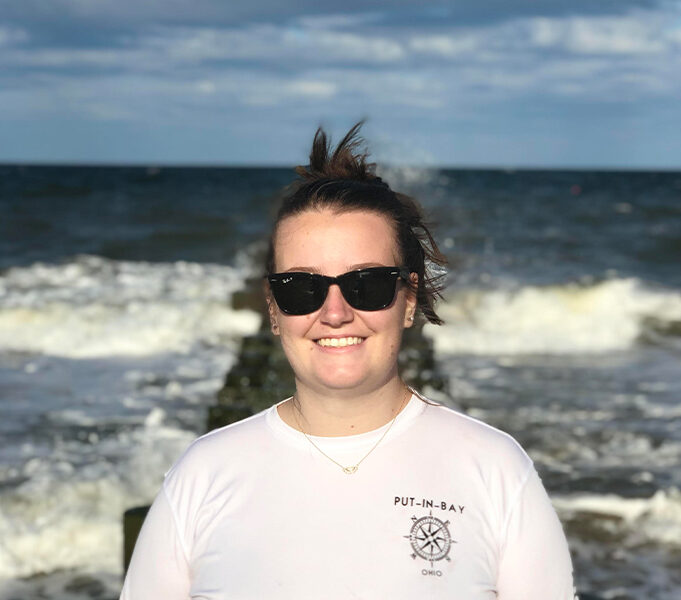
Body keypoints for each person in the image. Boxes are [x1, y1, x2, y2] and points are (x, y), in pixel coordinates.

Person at [120, 123, 577, 599]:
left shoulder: (495, 469)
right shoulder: (203, 473)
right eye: (302, 289)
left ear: (408, 299)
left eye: (368, 285)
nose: (335, 313)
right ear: (273, 309)